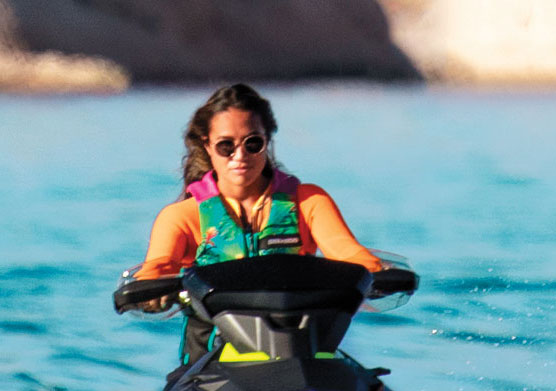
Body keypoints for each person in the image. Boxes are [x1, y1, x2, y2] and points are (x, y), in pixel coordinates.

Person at [134, 84, 382, 357]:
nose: (239, 156)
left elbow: (348, 253)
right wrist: (148, 290)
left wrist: (377, 274)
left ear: (267, 142)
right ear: (207, 145)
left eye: (252, 143)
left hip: (302, 355)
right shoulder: (183, 217)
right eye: (226, 146)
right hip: (212, 363)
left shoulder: (307, 202)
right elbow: (158, 266)